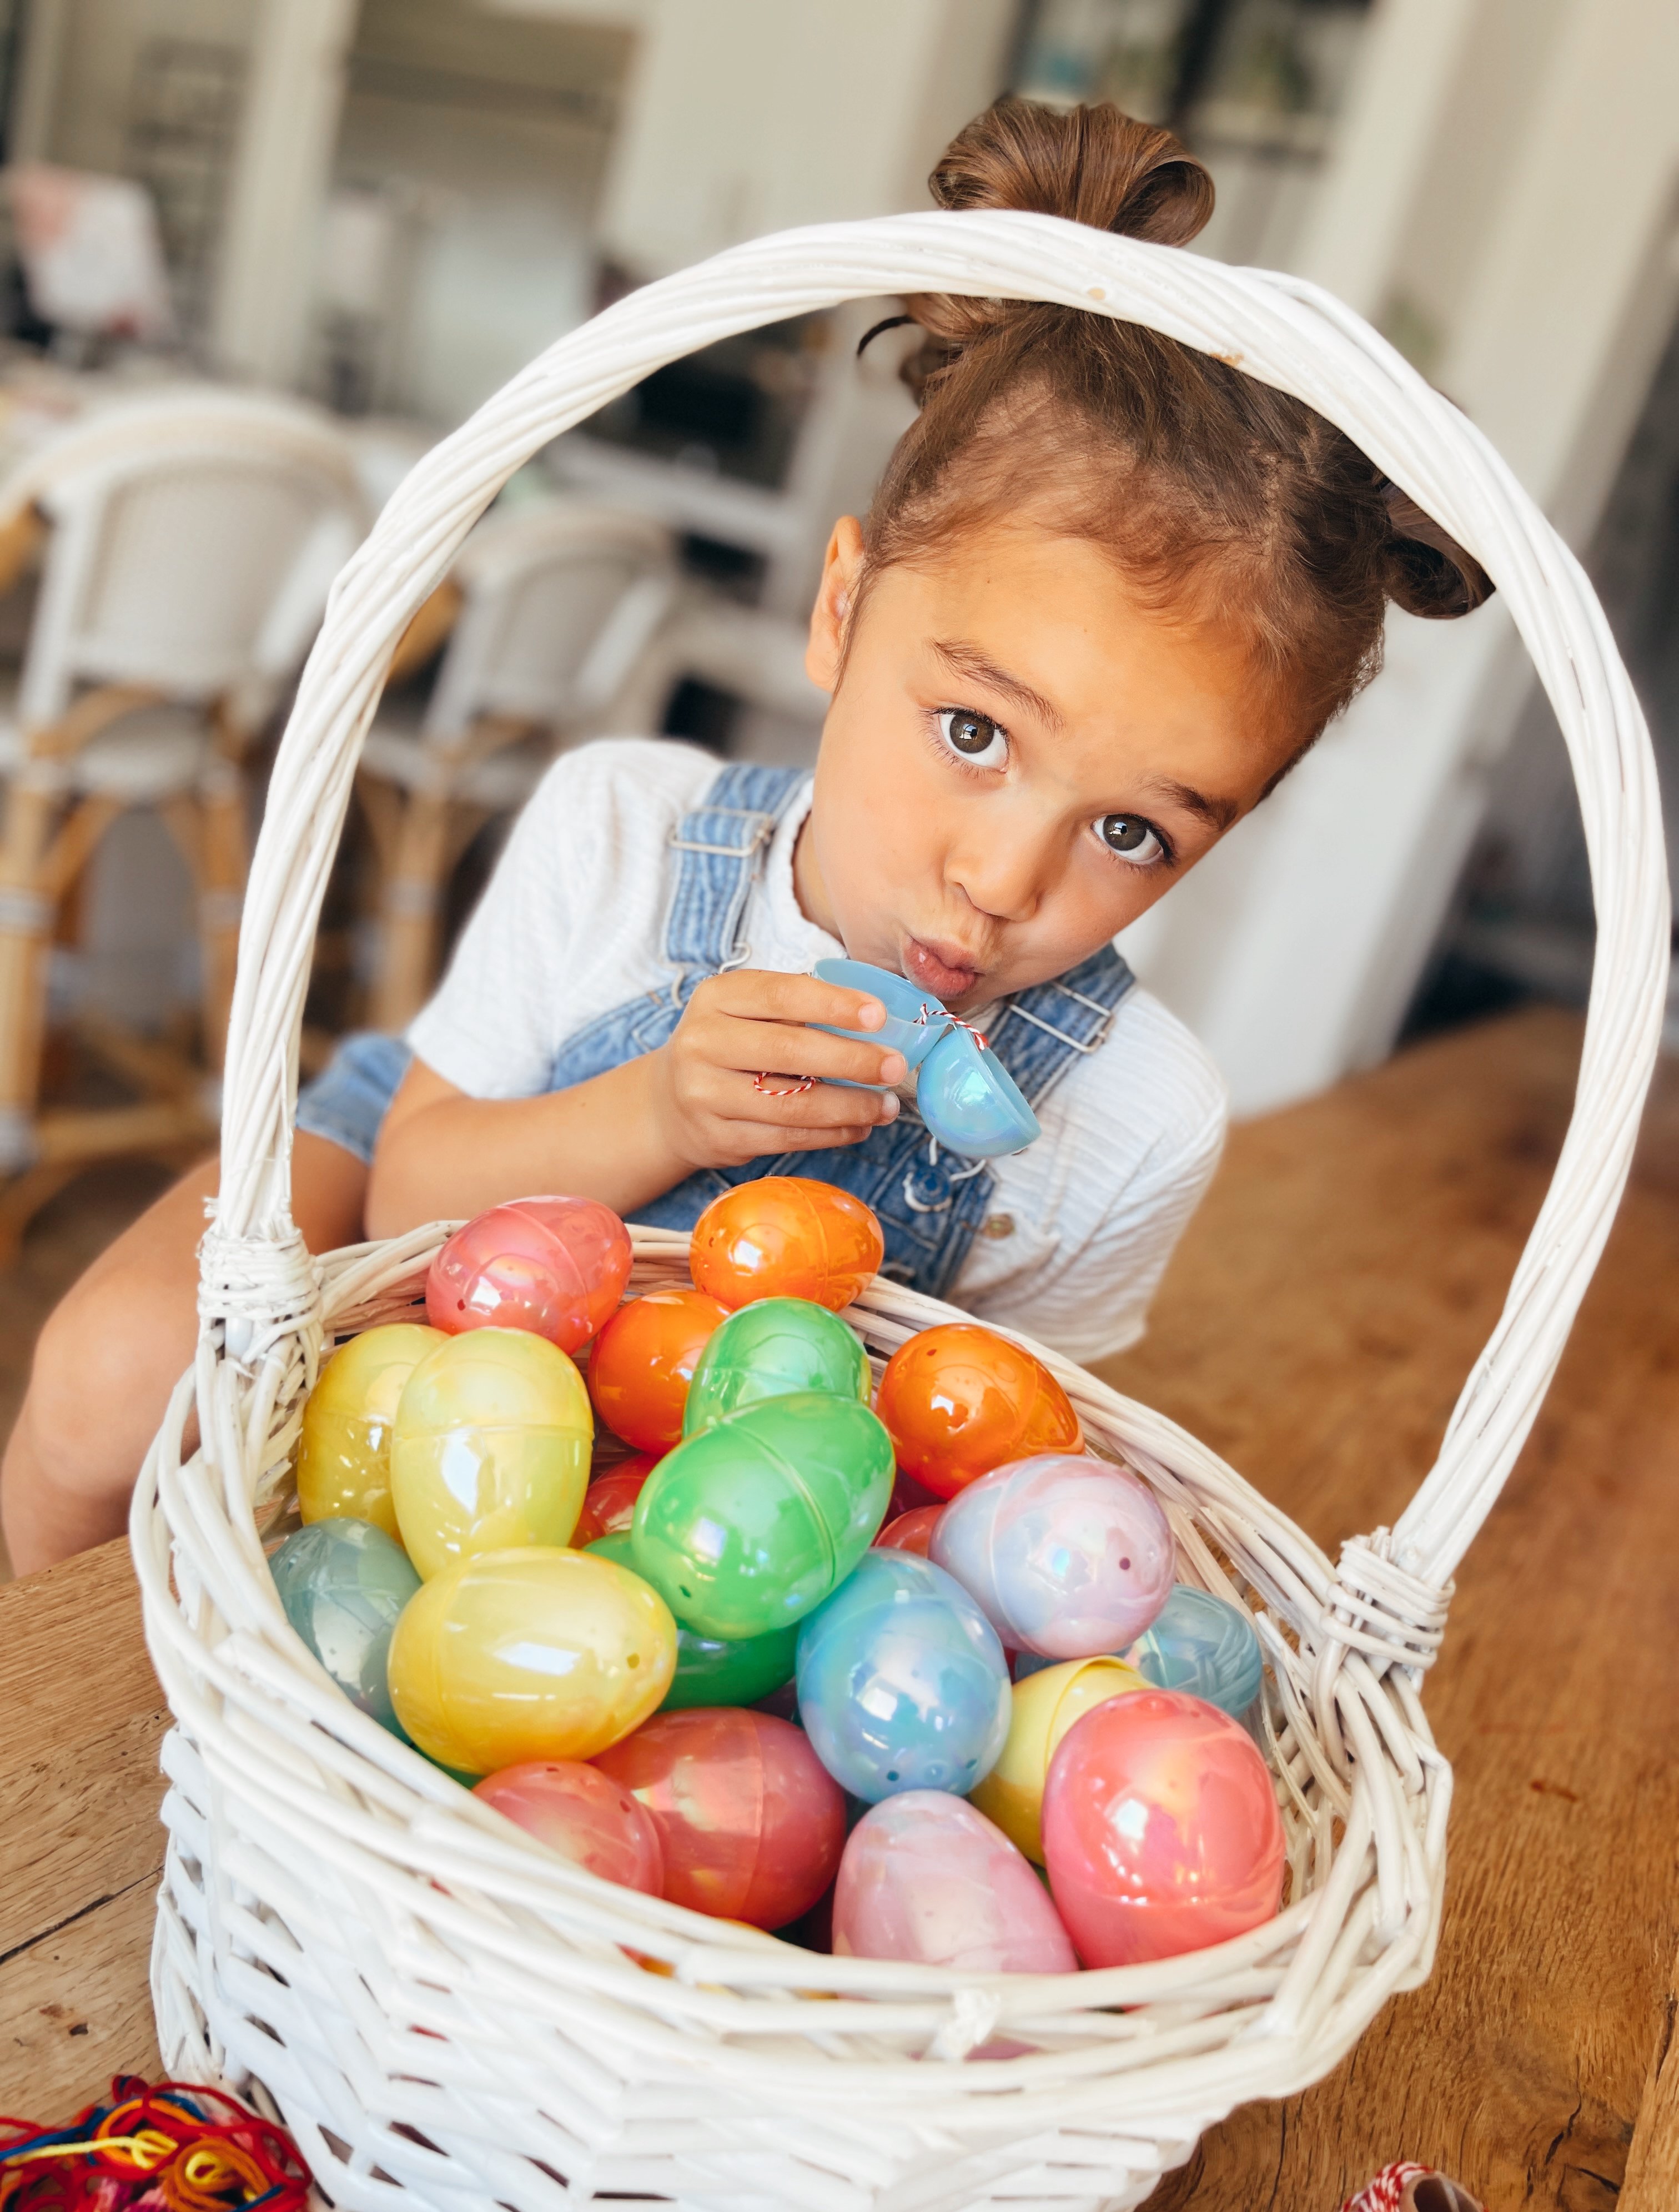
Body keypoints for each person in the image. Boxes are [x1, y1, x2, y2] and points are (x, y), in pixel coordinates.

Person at [0, 97, 1491, 1577]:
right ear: (840, 612)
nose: (1000, 882)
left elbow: (991, 1454)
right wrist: (662, 1115)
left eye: (1131, 831)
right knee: (115, 1379)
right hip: (436, 1180)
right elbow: (412, 1196)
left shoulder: (1134, 1116)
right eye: (974, 733)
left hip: (706, 1454)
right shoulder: (624, 831)